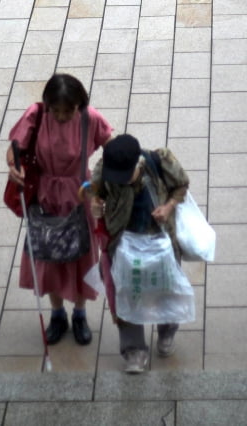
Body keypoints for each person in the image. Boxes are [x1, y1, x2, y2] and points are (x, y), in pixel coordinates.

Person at [7, 74, 113, 347]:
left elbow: (110, 147)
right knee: (48, 254)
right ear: (47, 104)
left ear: (80, 104)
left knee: (82, 255)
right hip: (45, 195)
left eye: (69, 110)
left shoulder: (91, 118)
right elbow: (14, 150)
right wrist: (15, 167)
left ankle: (79, 314)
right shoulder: (36, 114)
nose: (63, 116)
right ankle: (57, 314)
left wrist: (107, 182)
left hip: (80, 194)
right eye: (57, 110)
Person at [89, 134, 189, 373]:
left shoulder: (160, 160)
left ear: (139, 164)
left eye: (126, 177)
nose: (121, 182)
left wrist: (168, 207)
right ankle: (134, 350)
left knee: (166, 290)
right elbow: (93, 190)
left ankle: (166, 334)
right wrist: (95, 204)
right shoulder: (105, 168)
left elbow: (181, 185)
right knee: (127, 294)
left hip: (160, 243)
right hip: (123, 246)